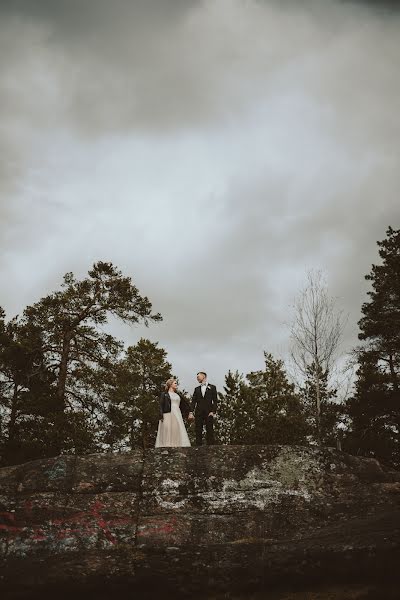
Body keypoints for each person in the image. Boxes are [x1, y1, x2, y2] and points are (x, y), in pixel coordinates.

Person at [155, 378, 192, 448]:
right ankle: (167, 445)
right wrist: (161, 415)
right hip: (168, 413)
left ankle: (177, 444)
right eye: (175, 383)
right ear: (170, 384)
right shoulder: (164, 394)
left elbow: (185, 405)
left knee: (177, 428)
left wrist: (190, 413)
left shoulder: (178, 395)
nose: (176, 384)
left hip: (177, 413)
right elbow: (161, 405)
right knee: (168, 429)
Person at [190, 371, 217, 446]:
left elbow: (215, 401)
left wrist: (213, 411)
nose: (197, 378)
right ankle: (198, 448)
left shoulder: (212, 387)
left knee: (210, 430)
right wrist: (191, 412)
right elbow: (193, 401)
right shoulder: (196, 389)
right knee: (198, 430)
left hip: (209, 412)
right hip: (198, 412)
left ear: (204, 377)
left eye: (198, 377)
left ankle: (211, 447)